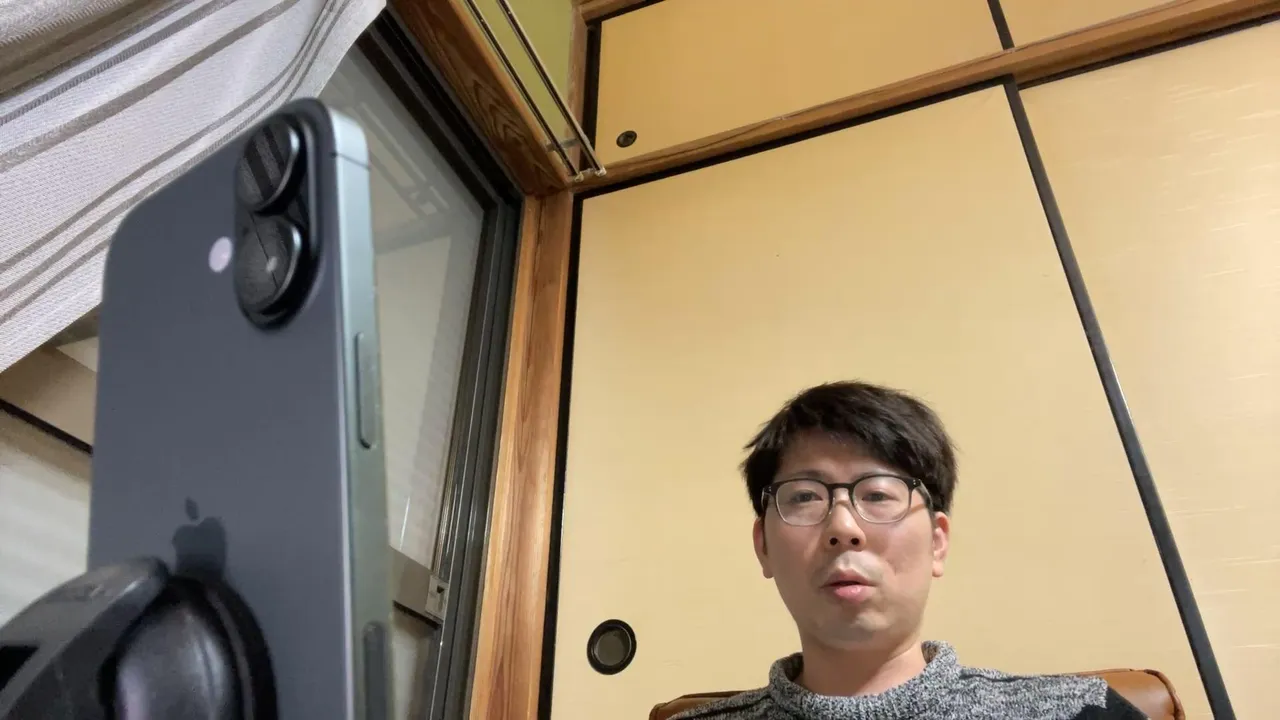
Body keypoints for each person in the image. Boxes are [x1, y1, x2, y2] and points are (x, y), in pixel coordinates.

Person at [673, 381, 1146, 719]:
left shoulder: (1082, 712)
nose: (843, 527)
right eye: (805, 497)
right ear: (763, 546)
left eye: (878, 494)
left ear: (938, 542)